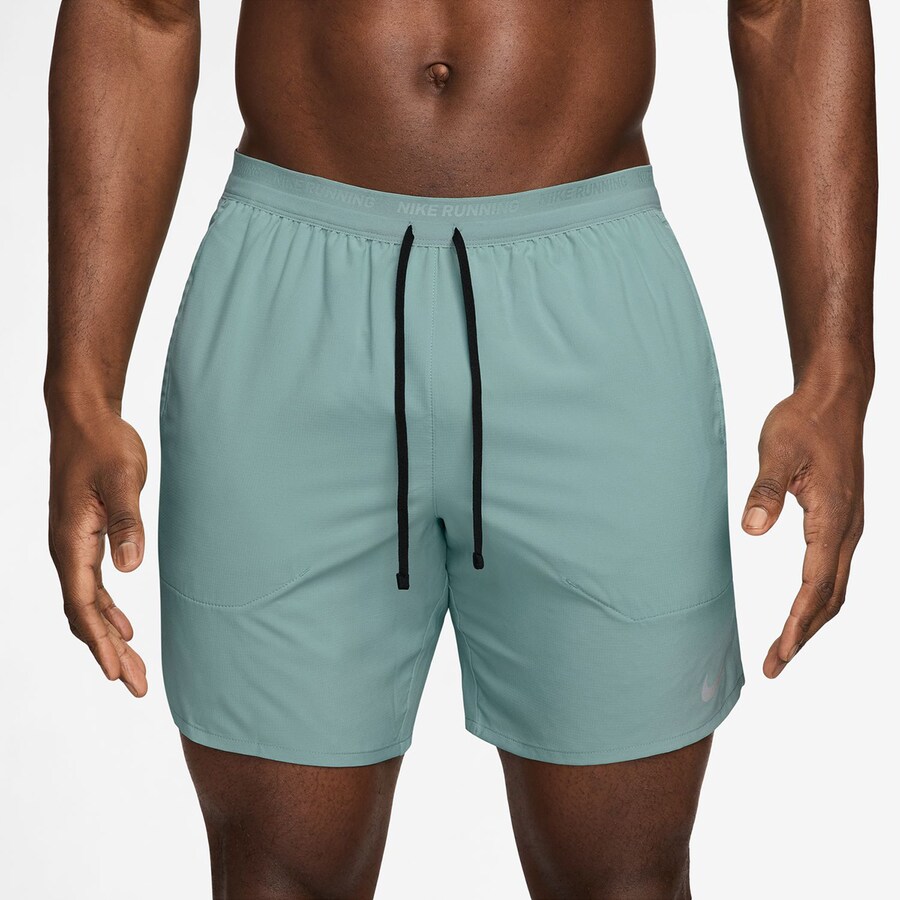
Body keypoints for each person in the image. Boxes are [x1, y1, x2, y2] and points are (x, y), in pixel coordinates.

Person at [45, 2, 876, 897]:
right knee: (274, 877)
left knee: (625, 881)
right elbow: (139, 12)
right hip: (291, 312)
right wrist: (80, 393)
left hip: (589, 307)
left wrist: (836, 376)